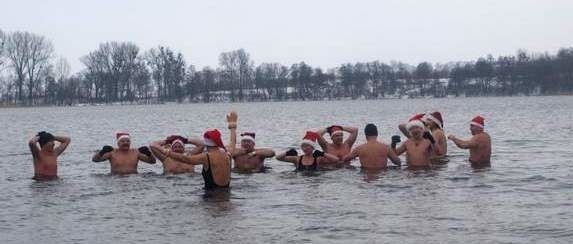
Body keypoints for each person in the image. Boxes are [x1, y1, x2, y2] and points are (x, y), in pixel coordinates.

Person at [165, 128, 231, 190]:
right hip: (227, 196)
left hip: (211, 198)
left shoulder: (206, 157)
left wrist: (168, 153)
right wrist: (233, 127)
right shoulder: (227, 154)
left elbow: (186, 159)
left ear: (207, 143)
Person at [92, 132, 156, 174]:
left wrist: (148, 153)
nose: (125, 143)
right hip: (115, 178)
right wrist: (102, 152)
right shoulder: (112, 152)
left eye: (128, 141)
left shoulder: (136, 152)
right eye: (122, 141)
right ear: (118, 143)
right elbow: (95, 160)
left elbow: (152, 162)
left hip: (133, 179)